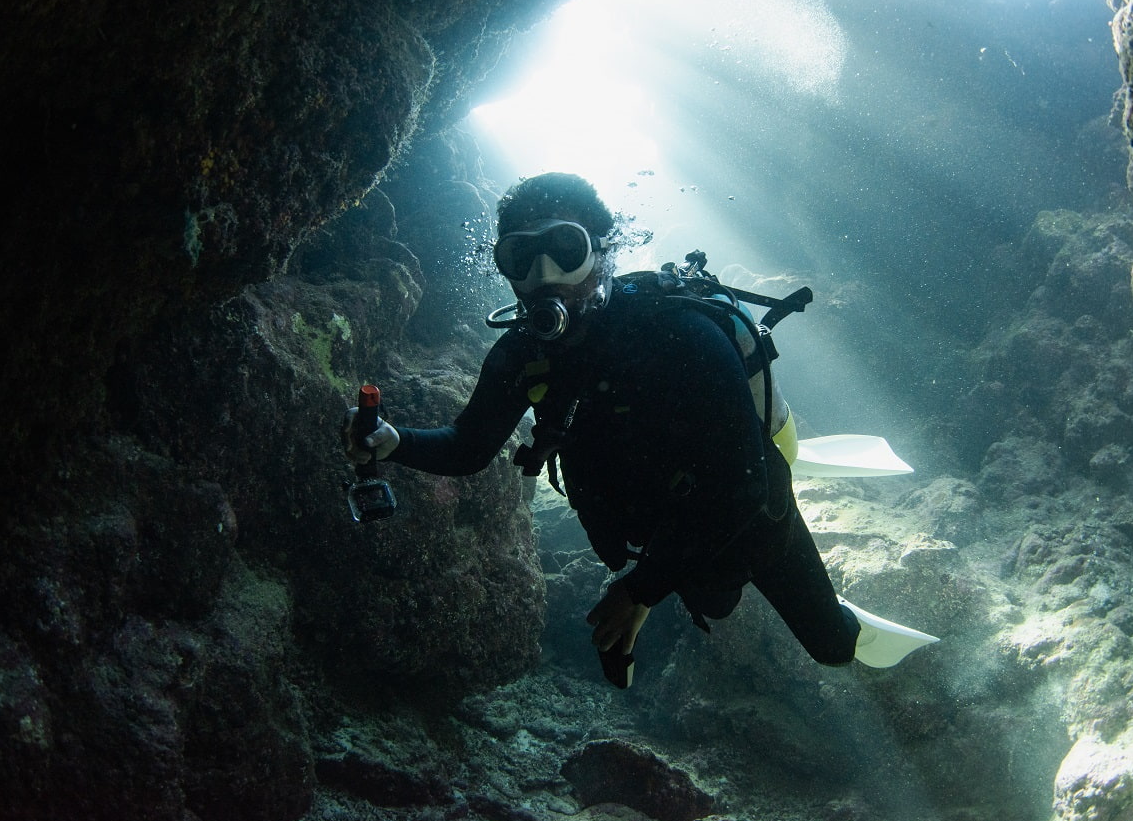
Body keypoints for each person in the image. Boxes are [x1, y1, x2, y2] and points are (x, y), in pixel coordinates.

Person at [341, 172, 858, 683]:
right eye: (521, 256)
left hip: (740, 509)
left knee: (831, 646)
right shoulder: (522, 354)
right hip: (658, 530)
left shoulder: (681, 334)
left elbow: (742, 488)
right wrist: (395, 441)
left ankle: (837, 610)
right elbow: (468, 446)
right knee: (714, 602)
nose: (545, 275)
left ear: (603, 253)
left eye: (565, 249)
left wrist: (638, 591)